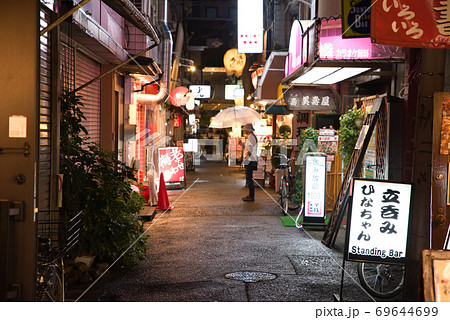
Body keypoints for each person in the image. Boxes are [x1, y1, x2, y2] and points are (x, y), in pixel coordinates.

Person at [239, 123, 258, 201]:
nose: (244, 131)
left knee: (249, 178)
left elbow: (250, 151)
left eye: (244, 130)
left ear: (247, 130)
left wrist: (245, 160)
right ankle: (250, 195)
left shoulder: (250, 137)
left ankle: (251, 196)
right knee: (249, 178)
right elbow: (248, 148)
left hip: (250, 160)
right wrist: (242, 144)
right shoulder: (251, 137)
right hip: (251, 160)